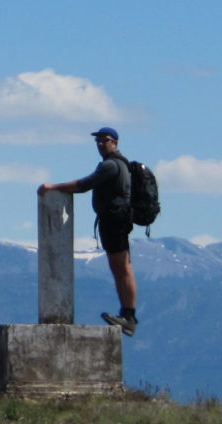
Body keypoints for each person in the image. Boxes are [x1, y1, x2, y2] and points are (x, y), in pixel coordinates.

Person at [37, 127, 139, 335]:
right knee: (119, 269)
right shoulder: (120, 165)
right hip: (115, 220)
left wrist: (52, 187)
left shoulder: (111, 166)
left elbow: (83, 185)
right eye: (98, 141)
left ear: (115, 143)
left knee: (122, 269)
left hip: (114, 221)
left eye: (105, 140)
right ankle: (127, 315)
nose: (101, 144)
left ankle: (129, 316)